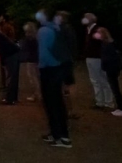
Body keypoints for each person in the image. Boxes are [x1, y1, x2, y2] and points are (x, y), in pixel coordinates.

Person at [36, 10, 71, 149]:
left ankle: (60, 137)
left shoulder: (44, 31)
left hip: (49, 70)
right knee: (58, 102)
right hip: (59, 68)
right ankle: (60, 133)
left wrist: (41, 68)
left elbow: (43, 54)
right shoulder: (55, 28)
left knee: (51, 104)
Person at [82, 13, 114, 109]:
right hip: (91, 57)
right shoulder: (89, 30)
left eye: (85, 18)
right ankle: (100, 102)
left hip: (97, 58)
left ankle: (108, 102)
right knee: (95, 80)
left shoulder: (98, 29)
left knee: (102, 80)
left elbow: (106, 41)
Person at [95, 27, 122, 117]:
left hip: (112, 69)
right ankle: (120, 107)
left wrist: (104, 66)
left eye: (99, 33)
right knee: (114, 89)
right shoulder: (110, 43)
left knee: (115, 89)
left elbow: (108, 58)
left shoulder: (107, 45)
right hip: (113, 69)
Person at [54, 11, 79, 119]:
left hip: (63, 61)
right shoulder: (66, 29)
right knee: (66, 85)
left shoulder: (63, 29)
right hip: (66, 60)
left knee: (65, 86)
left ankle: (69, 110)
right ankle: (69, 110)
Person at [0, 26, 20, 105]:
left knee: (11, 77)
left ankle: (9, 99)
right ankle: (13, 98)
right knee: (13, 77)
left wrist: (2, 61)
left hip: (11, 55)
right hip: (13, 54)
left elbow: (0, 48)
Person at [19, 22, 40, 102]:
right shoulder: (36, 38)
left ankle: (37, 94)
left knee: (33, 78)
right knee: (36, 77)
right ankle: (37, 93)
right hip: (36, 59)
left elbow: (25, 48)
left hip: (32, 60)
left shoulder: (30, 39)